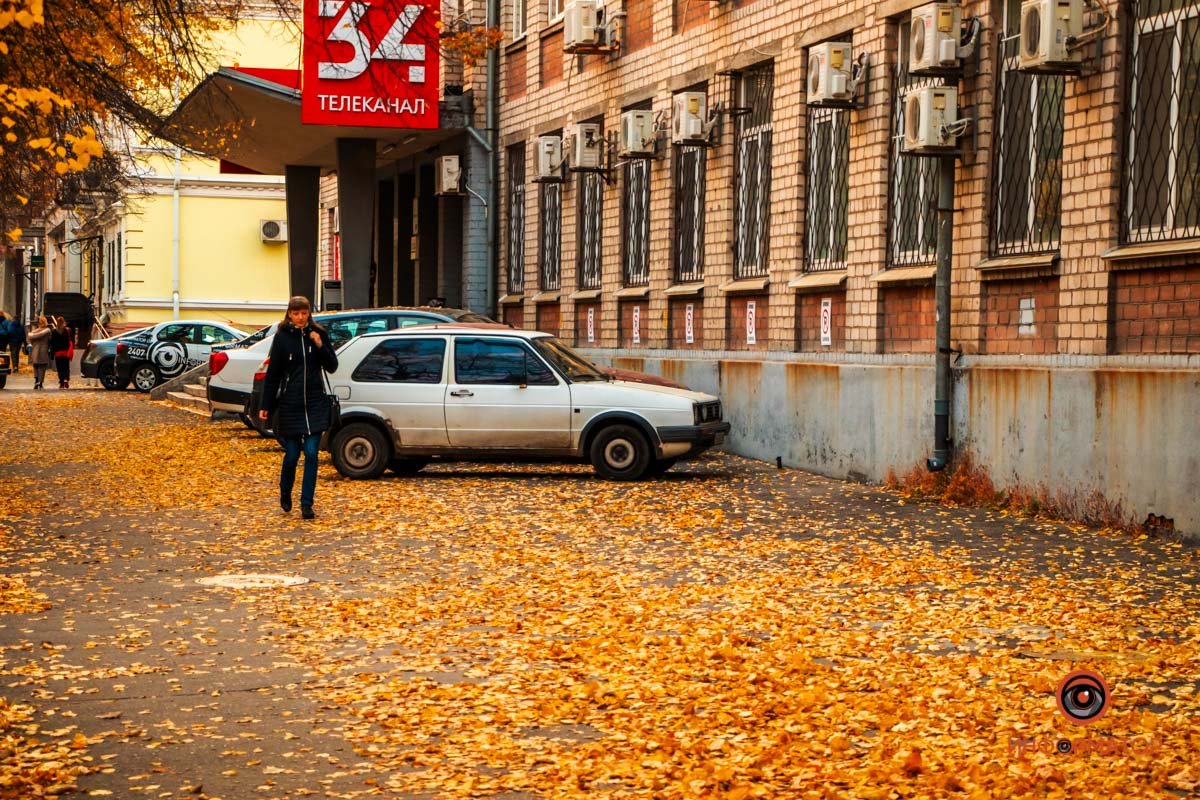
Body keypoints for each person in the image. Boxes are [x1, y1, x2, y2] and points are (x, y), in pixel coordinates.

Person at [258, 296, 338, 520]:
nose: (301, 317)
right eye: (296, 313)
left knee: (311, 453)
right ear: (289, 314)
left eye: (304, 313)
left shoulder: (318, 334)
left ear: (309, 313)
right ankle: (285, 491)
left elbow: (332, 365)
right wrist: (266, 404)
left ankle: (307, 503)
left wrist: (320, 345)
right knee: (292, 455)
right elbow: (273, 374)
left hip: (315, 402)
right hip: (291, 404)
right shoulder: (282, 337)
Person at [48, 316, 73, 389]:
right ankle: (66, 379)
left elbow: (52, 342)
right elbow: (69, 341)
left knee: (59, 368)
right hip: (65, 352)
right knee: (66, 367)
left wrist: (52, 352)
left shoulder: (54, 331)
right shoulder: (66, 331)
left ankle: (61, 382)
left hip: (58, 353)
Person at [27, 316, 51, 390]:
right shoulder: (47, 331)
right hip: (44, 350)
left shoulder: (33, 332)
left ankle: (36, 380)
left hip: (35, 350)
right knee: (42, 367)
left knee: (36, 366)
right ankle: (40, 382)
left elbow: (30, 340)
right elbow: (50, 340)